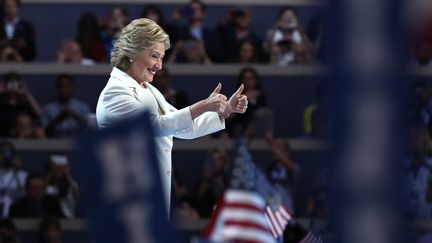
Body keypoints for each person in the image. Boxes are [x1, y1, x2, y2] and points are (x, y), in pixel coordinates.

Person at [96, 18, 248, 213]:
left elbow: (182, 126)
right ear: (133, 52)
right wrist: (202, 106)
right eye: (154, 56)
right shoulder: (115, 92)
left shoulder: (148, 89)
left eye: (161, 58)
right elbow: (155, 127)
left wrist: (223, 110)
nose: (159, 66)